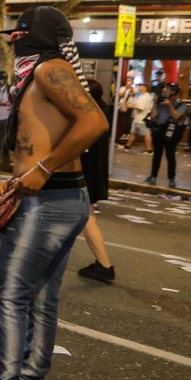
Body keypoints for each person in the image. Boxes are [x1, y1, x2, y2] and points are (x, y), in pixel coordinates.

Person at [0, 5, 107, 380]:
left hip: (48, 201)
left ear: (37, 37)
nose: (15, 44)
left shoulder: (49, 69)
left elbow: (94, 122)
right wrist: (21, 177)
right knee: (40, 299)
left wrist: (41, 170)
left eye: (20, 36)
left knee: (12, 298)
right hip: (57, 197)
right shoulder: (46, 72)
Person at [76, 79, 116, 283]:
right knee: (83, 216)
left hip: (86, 173)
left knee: (87, 217)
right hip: (93, 172)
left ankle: (104, 265)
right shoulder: (99, 113)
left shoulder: (89, 117)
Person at [145, 83, 189, 189]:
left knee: (170, 155)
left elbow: (177, 116)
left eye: (167, 89)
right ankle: (153, 176)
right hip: (158, 130)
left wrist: (169, 105)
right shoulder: (160, 102)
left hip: (171, 132)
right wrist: (155, 103)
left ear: (173, 92)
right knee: (157, 154)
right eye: (164, 88)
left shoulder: (181, 104)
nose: (164, 90)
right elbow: (153, 116)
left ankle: (171, 178)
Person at [122, 83, 154, 155]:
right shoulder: (142, 96)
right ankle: (127, 147)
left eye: (140, 86)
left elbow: (140, 107)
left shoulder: (146, 97)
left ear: (145, 88)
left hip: (142, 119)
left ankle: (149, 150)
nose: (139, 87)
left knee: (146, 133)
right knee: (134, 133)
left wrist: (130, 106)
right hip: (138, 118)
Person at [114, 77, 136, 145]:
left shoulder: (134, 88)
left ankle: (128, 133)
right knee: (124, 120)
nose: (128, 82)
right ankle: (123, 133)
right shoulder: (122, 88)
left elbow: (134, 94)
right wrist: (126, 89)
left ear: (132, 82)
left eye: (130, 81)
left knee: (129, 120)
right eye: (127, 80)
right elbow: (121, 95)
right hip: (123, 105)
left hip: (131, 105)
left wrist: (131, 89)